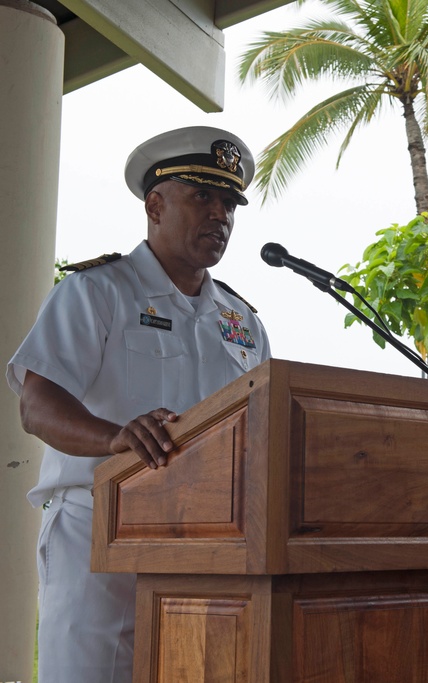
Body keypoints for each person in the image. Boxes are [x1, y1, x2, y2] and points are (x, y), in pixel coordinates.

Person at [7, 126, 271, 683]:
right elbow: (37, 404)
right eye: (203, 196)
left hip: (207, 542)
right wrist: (115, 438)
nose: (220, 214)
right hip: (99, 531)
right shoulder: (97, 292)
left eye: (229, 202)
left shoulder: (241, 322)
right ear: (154, 205)